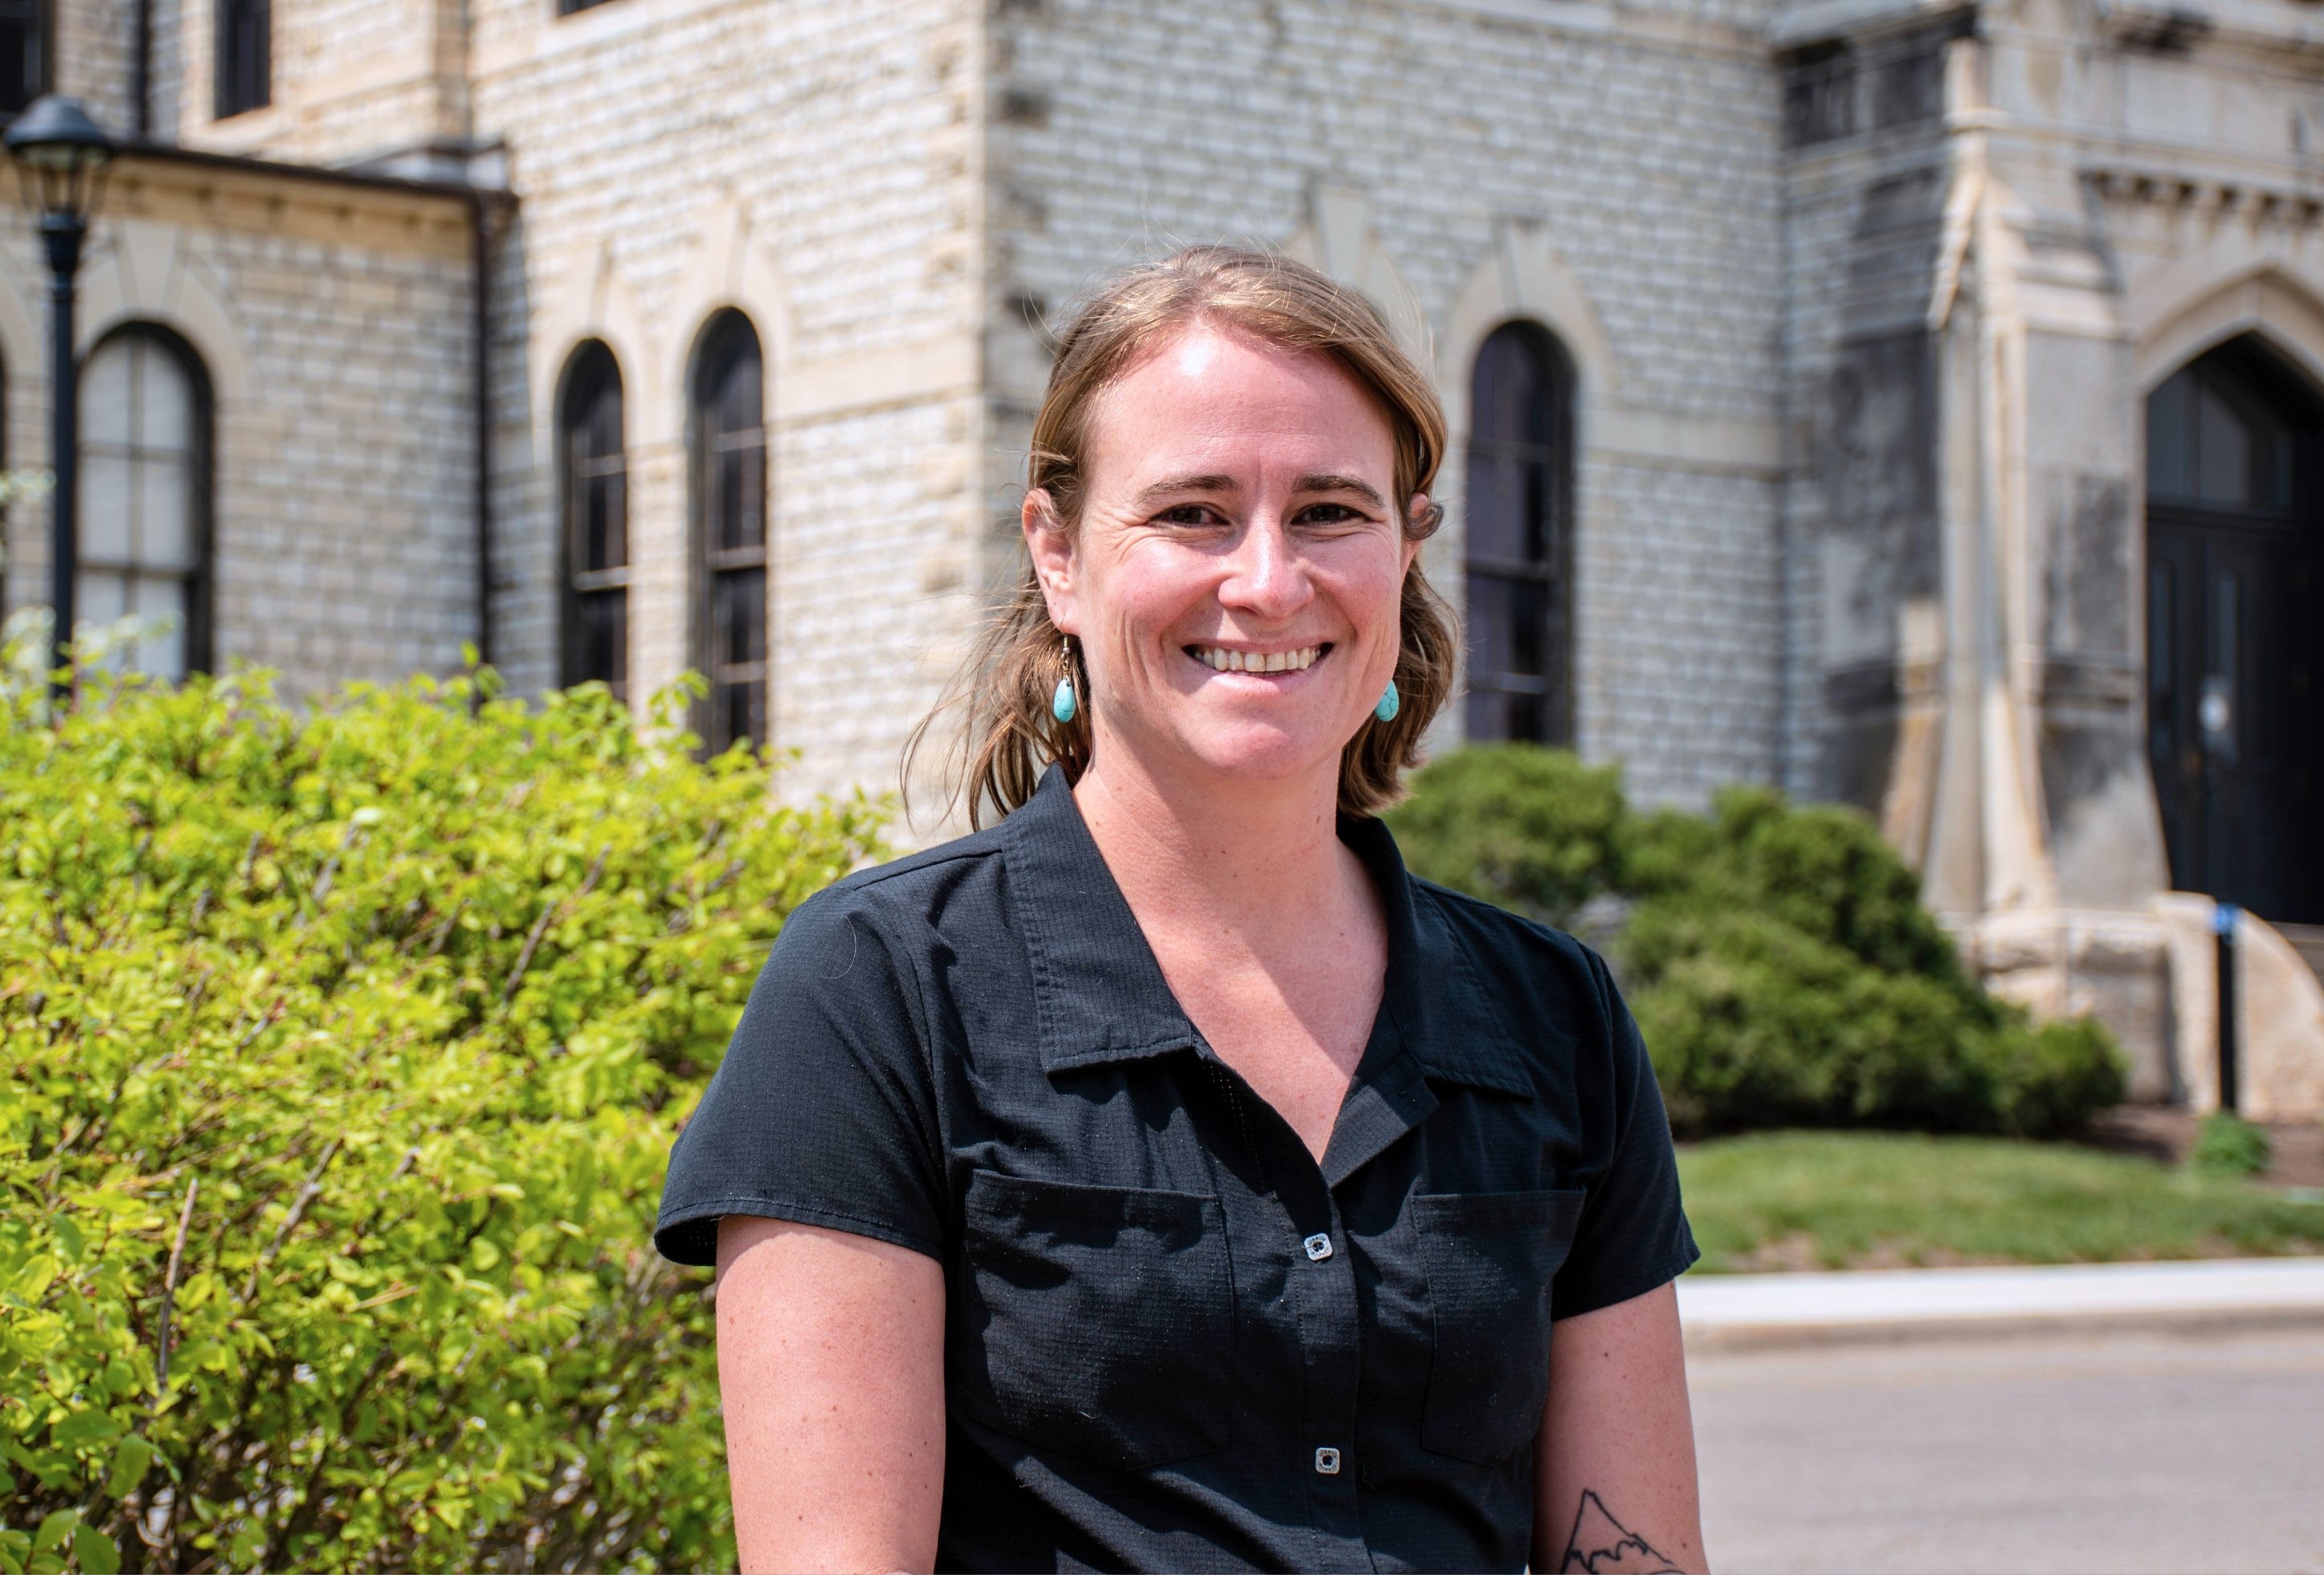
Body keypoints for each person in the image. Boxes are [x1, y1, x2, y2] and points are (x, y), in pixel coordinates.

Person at [654, 246, 1706, 1574]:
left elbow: (1632, 1553)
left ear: (1408, 545)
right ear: (1057, 554)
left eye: (1329, 510)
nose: (1267, 581)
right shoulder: (878, 992)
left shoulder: (1554, 1015)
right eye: (1194, 512)